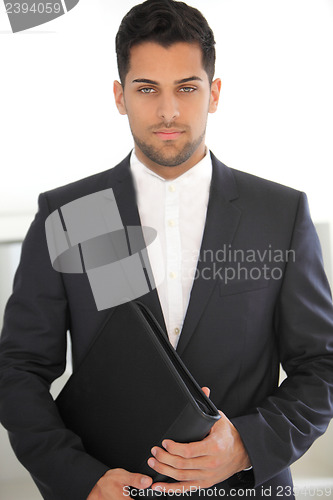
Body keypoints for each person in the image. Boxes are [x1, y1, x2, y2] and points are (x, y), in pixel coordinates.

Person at [0, 0, 333, 499]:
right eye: (147, 89)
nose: (168, 111)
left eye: (187, 88)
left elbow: (322, 365)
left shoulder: (279, 213)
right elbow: (19, 368)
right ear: (119, 95)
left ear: (214, 93)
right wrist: (79, 478)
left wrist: (247, 444)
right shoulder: (70, 213)